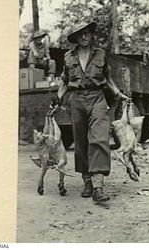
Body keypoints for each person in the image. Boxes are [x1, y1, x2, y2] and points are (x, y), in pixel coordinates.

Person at [55, 21, 130, 203]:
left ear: (91, 35)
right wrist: (58, 100)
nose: (84, 37)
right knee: (80, 141)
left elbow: (108, 79)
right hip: (76, 99)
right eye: (80, 34)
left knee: (99, 138)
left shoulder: (101, 55)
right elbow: (65, 82)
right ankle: (87, 181)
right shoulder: (68, 57)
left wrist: (119, 94)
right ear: (75, 38)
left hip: (97, 98)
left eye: (86, 33)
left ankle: (98, 186)